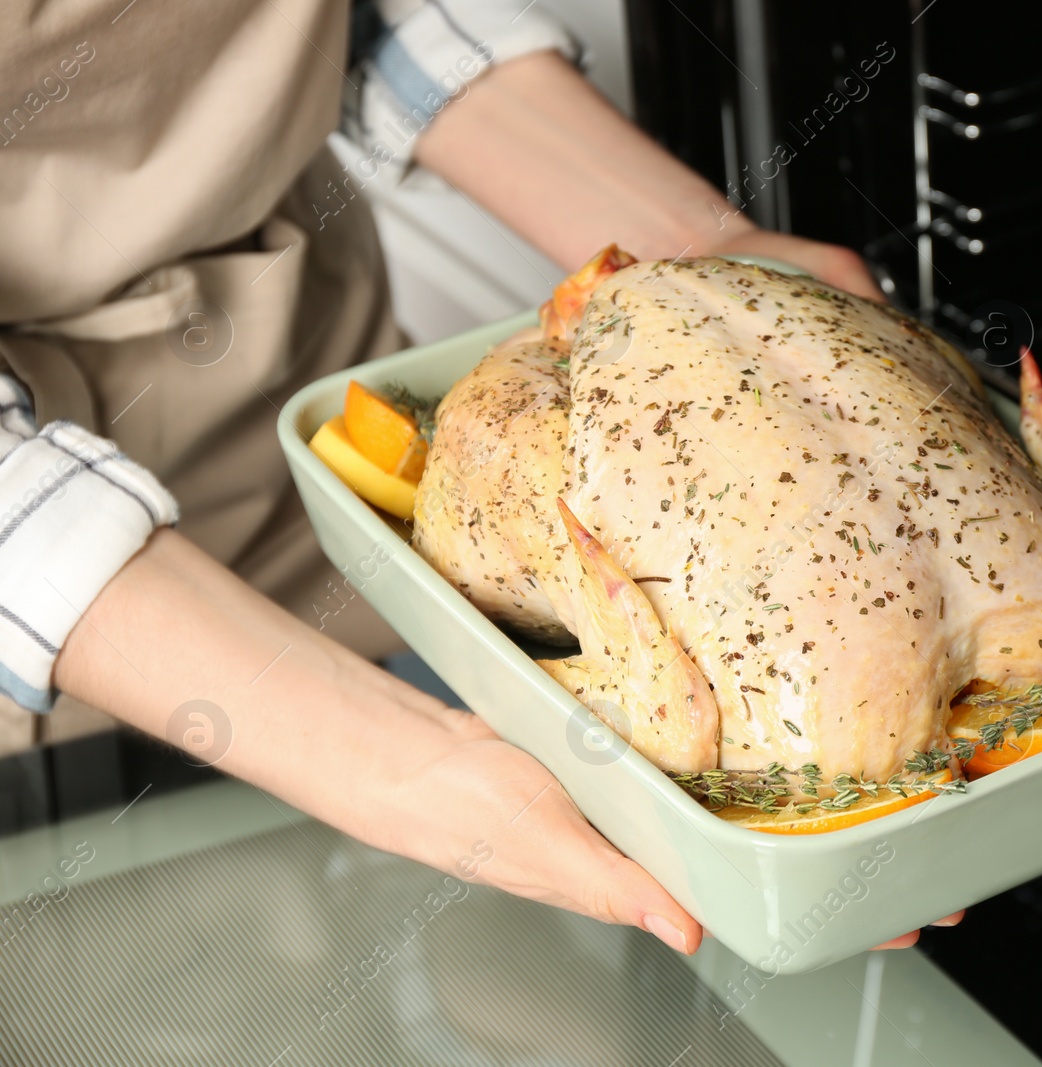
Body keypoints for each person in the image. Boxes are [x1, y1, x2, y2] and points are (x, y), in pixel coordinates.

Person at [0, 0, 958, 954]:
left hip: (356, 481)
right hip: (58, 631)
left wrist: (697, 256)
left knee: (488, 962)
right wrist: (396, 764)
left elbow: (361, 19)